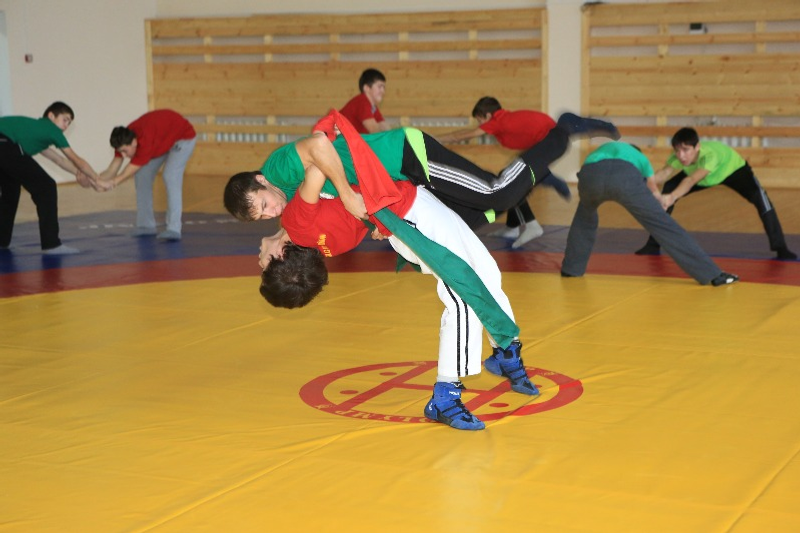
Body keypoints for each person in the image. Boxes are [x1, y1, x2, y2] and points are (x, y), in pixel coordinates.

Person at [256, 134, 539, 431]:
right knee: (462, 294)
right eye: (263, 265)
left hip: (411, 203)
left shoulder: (311, 234)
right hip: (408, 215)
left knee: (485, 271)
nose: (259, 260)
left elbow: (348, 208)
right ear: (280, 256)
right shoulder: (297, 222)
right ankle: (445, 395)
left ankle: (504, 350)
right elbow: (321, 169)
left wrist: (373, 218)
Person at [223, 110, 618, 234]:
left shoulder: (277, 169)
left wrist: (345, 193)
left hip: (407, 155)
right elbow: (303, 214)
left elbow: (319, 145)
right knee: (469, 217)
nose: (273, 211)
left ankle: (561, 130)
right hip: (401, 178)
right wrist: (279, 235)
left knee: (495, 193)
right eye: (263, 217)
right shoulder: (284, 193)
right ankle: (525, 179)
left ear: (260, 180)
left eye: (264, 204)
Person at [561, 141, 739, 287]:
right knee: (663, 226)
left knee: (584, 219)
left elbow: (587, 170)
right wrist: (661, 204)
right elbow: (653, 190)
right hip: (625, 177)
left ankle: (571, 269)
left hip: (590, 176)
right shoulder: (641, 159)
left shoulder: (603, 149)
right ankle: (712, 275)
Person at [437, 97, 592, 248]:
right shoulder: (506, 118)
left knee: (511, 184)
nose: (480, 124)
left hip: (550, 143)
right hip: (547, 143)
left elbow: (461, 136)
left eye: (480, 120)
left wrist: (435, 139)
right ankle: (513, 226)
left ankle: (532, 224)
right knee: (511, 180)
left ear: (488, 115)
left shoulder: (496, 122)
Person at [634, 127, 796, 260]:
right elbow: (663, 174)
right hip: (703, 176)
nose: (681, 155)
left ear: (697, 147)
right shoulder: (678, 157)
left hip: (733, 171)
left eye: (685, 150)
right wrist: (641, 181)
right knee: (669, 187)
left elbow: (691, 180)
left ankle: (781, 247)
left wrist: (672, 197)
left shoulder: (710, 155)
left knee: (762, 201)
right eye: (677, 150)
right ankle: (653, 244)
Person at [0, 101, 101, 255]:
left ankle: (1, 240)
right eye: (65, 120)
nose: (66, 125)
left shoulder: (37, 131)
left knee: (11, 192)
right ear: (51, 116)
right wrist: (97, 180)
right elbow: (75, 159)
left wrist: (79, 174)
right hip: (5, 144)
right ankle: (51, 244)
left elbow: (59, 160)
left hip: (4, 146)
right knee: (46, 187)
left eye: (69, 123)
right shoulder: (51, 129)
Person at [98, 109, 196, 241]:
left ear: (134, 143)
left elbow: (128, 171)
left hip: (183, 138)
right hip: (162, 140)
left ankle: (174, 228)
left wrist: (113, 183)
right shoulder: (123, 139)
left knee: (170, 175)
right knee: (142, 175)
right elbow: (112, 170)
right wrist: (95, 180)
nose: (123, 155)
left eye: (125, 151)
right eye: (121, 152)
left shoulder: (145, 139)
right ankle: (146, 225)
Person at [339, 68, 389, 134]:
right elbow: (375, 131)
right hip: (334, 138)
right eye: (379, 87)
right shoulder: (362, 102)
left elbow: (385, 128)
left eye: (384, 87)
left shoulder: (373, 107)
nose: (383, 91)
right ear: (367, 88)